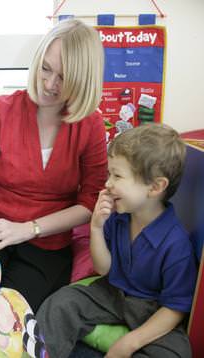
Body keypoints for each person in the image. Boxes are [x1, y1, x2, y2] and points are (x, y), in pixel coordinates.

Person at [0, 19, 107, 313]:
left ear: (83, 81)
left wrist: (28, 229)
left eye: (63, 77)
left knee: (6, 315)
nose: (49, 84)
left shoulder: (90, 124)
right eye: (45, 68)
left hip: (48, 243)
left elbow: (90, 203)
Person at [36, 123, 197, 358]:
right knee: (61, 303)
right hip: (110, 294)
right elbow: (104, 268)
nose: (108, 184)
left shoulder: (176, 244)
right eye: (109, 174)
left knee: (177, 353)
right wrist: (96, 228)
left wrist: (129, 343)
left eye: (117, 176)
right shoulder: (118, 217)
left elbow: (175, 308)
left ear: (155, 187)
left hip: (152, 310)